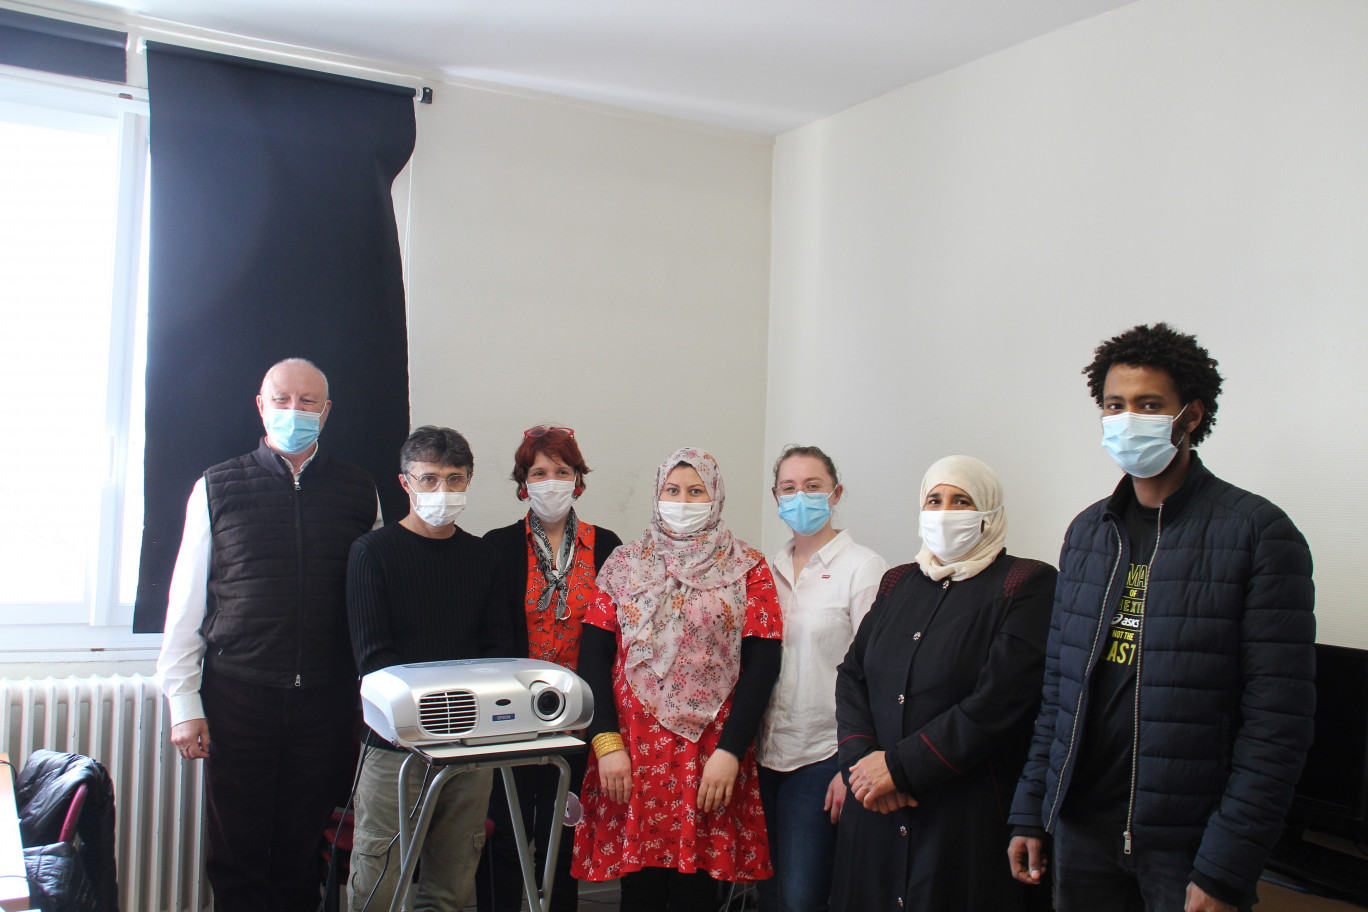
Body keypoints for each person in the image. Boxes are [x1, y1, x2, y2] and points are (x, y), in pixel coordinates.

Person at [1007, 323, 1315, 912]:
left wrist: (1228, 866)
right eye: (1115, 406)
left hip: (1188, 848)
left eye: (1149, 405)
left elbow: (1278, 723)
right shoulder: (1088, 532)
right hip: (1080, 832)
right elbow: (1058, 691)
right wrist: (1031, 808)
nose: (1128, 420)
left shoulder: (1257, 533)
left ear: (1191, 416)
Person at [156, 357, 380, 912]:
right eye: (282, 399)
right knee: (239, 852)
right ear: (261, 406)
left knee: (305, 850)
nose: (294, 411)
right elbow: (186, 604)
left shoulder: (359, 490)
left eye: (308, 402)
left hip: (327, 702)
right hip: (239, 697)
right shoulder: (216, 486)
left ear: (326, 413)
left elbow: (372, 601)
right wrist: (183, 702)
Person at [830, 455, 1056, 912]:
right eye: (935, 500)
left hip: (963, 815)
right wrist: (863, 764)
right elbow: (853, 675)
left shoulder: (1027, 583)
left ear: (989, 513)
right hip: (873, 805)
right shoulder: (898, 581)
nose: (945, 511)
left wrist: (899, 768)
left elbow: (997, 703)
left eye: (962, 501)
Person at [572, 447, 783, 912]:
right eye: (672, 490)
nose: (682, 501)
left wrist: (730, 752)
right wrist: (606, 743)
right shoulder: (624, 565)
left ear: (716, 497)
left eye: (695, 491)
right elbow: (593, 657)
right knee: (640, 890)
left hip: (709, 756)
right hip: (630, 755)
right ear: (657, 494)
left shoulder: (748, 567)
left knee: (695, 892)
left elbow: (763, 665)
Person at [346, 425, 514, 912]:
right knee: (378, 880)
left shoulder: (482, 557)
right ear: (405, 483)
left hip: (470, 745)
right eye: (429, 479)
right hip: (394, 745)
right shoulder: (371, 553)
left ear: (469, 480)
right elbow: (374, 663)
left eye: (454, 479)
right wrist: (436, 715)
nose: (442, 491)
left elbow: (496, 653)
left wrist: (464, 721)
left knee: (453, 881)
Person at [476, 425, 623, 912]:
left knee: (563, 836)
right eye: (540, 472)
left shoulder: (608, 547)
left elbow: (614, 641)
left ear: (578, 480)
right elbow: (492, 637)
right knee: (503, 833)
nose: (551, 481)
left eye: (562, 471)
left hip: (580, 718)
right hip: (512, 717)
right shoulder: (495, 547)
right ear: (524, 483)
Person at [755, 445, 887, 912]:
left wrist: (851, 765)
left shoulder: (863, 569)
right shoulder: (762, 571)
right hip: (764, 754)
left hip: (823, 757)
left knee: (801, 897)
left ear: (836, 493)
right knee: (767, 892)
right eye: (789, 488)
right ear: (775, 497)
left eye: (813, 486)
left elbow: (877, 674)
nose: (801, 496)